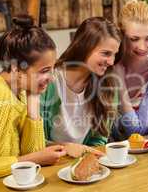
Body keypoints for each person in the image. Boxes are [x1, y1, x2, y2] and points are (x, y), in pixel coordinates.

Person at [0, 15, 66, 181]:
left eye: (52, 69)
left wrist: (34, 99)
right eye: (44, 70)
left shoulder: (22, 91)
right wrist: (34, 159)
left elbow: (33, 152)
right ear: (16, 68)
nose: (52, 78)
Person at [40, 17, 121, 150]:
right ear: (85, 47)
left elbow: (99, 139)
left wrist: (85, 156)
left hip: (84, 159)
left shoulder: (108, 85)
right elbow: (35, 140)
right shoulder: (49, 81)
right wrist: (67, 148)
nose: (111, 62)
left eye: (114, 55)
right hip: (48, 161)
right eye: (106, 54)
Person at [112, 0, 148, 139]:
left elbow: (138, 132)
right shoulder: (104, 66)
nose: (143, 47)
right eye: (134, 39)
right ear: (121, 36)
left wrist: (119, 82)